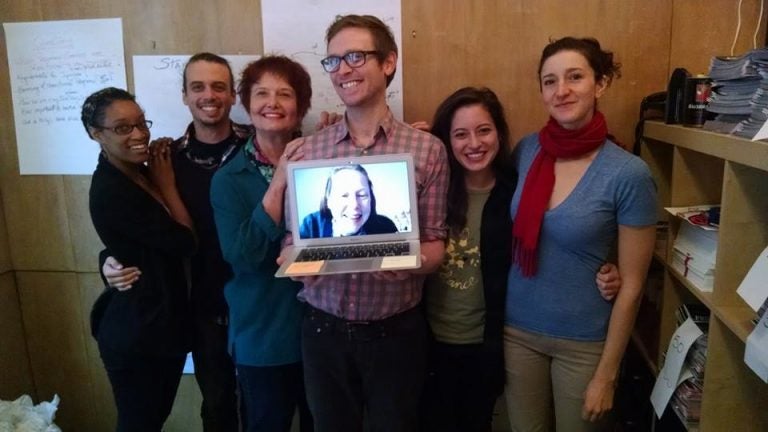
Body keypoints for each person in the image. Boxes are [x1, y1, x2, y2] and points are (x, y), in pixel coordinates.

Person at [281, 14, 449, 432]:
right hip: (323, 333)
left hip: (396, 337)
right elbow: (290, 241)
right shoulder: (307, 151)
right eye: (333, 61)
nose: (343, 69)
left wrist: (394, 257)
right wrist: (296, 260)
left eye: (355, 56)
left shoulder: (426, 149)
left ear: (388, 62)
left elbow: (435, 246)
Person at [421, 87, 622, 432]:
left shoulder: (518, 192)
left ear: (499, 132)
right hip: (428, 343)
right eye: (460, 134)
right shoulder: (430, 189)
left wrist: (609, 267)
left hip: (492, 344)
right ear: (446, 140)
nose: (474, 143)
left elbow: (561, 238)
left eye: (484, 130)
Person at [503, 37, 656, 431]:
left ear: (600, 84)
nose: (562, 90)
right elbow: (475, 177)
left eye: (575, 77)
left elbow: (633, 285)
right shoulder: (527, 151)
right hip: (517, 333)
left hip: (585, 344)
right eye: (550, 81)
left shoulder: (628, 174)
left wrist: (607, 374)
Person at [101, 53, 246, 432]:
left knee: (274, 400)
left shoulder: (261, 146)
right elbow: (135, 226)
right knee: (216, 405)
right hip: (200, 309)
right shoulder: (164, 159)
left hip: (261, 301)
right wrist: (108, 259)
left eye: (219, 86)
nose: (208, 95)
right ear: (184, 95)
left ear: (233, 95)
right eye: (197, 86)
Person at [210, 55, 313, 432]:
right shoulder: (228, 179)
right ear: (246, 103)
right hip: (262, 336)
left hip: (320, 332)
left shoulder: (320, 160)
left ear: (300, 106)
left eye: (285, 94)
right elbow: (244, 255)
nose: (273, 103)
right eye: (262, 93)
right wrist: (280, 177)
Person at [84, 87, 196, 431]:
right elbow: (184, 242)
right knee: (139, 424)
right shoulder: (112, 189)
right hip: (137, 333)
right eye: (122, 128)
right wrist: (168, 185)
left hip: (160, 327)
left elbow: (131, 245)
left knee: (150, 420)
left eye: (140, 124)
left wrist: (108, 258)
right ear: (96, 134)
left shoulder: (138, 172)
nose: (138, 135)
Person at [298, 164, 398, 238]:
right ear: (329, 201)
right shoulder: (311, 225)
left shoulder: (386, 226)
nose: (354, 204)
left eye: (362, 195)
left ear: (371, 198)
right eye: (344, 195)